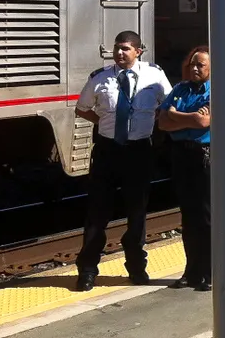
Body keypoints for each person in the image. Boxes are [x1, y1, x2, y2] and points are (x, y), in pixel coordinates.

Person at [74, 31, 173, 292]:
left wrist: (149, 121)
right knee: (97, 212)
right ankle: (87, 270)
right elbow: (82, 108)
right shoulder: (100, 78)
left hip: (139, 151)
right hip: (108, 150)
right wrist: (106, 123)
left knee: (137, 212)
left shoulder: (155, 75)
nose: (120, 53)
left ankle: (136, 267)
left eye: (126, 49)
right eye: (117, 48)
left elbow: (168, 104)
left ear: (139, 51)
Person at [157, 46, 212, 291]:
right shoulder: (180, 89)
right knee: (188, 217)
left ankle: (210, 271)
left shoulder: (217, 89)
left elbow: (205, 122)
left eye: (200, 65)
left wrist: (176, 114)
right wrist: (189, 117)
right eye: (192, 64)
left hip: (205, 156)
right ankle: (191, 271)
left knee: (207, 217)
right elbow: (162, 123)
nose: (195, 68)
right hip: (182, 155)